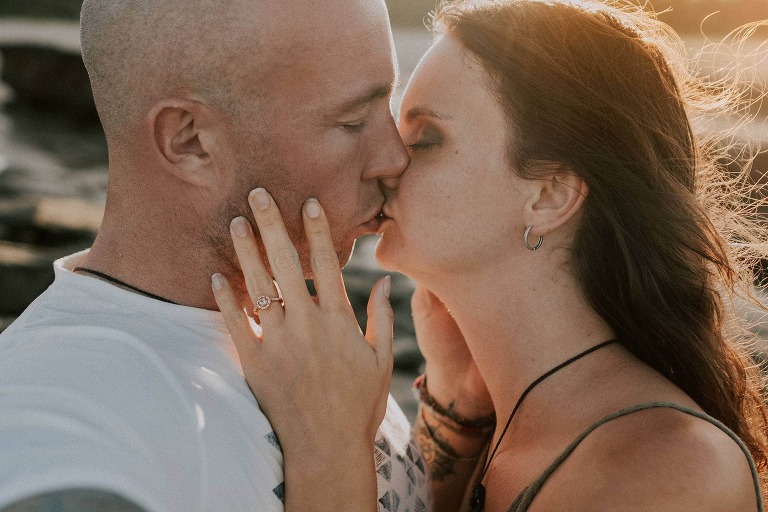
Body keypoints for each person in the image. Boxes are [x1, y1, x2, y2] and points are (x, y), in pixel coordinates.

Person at [213, 0, 768, 510]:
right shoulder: (510, 418)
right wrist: (455, 412)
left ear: (549, 194)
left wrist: (329, 448)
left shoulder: (671, 471)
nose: (385, 159)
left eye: (425, 137)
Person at [0, 1, 434, 511]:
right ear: (190, 142)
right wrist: (330, 462)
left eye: (389, 103)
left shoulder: (321, 348)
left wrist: (457, 414)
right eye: (353, 121)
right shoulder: (66, 398)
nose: (394, 157)